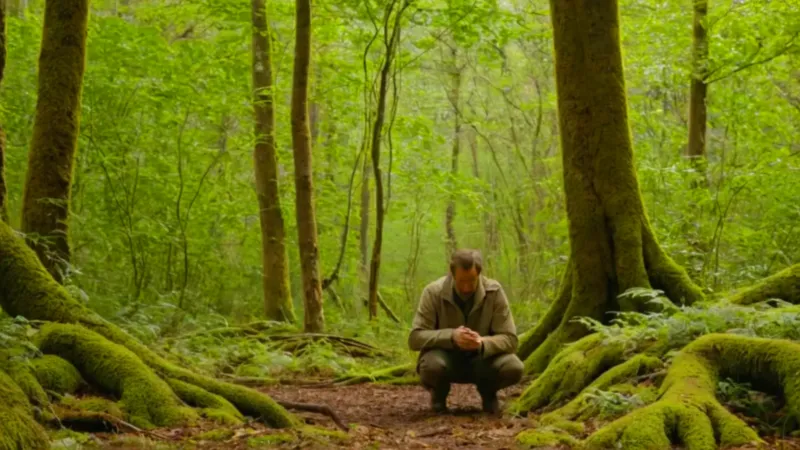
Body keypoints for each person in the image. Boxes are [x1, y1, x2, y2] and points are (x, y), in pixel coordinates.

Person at [408, 249, 524, 414]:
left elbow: (511, 339)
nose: (467, 287)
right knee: (431, 366)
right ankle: (439, 395)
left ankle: (488, 393)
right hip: (445, 358)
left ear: (479, 273)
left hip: (483, 361)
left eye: (472, 280)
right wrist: (452, 336)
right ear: (452, 274)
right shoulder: (433, 292)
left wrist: (482, 343)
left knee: (513, 367)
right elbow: (415, 338)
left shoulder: (494, 292)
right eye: (462, 281)